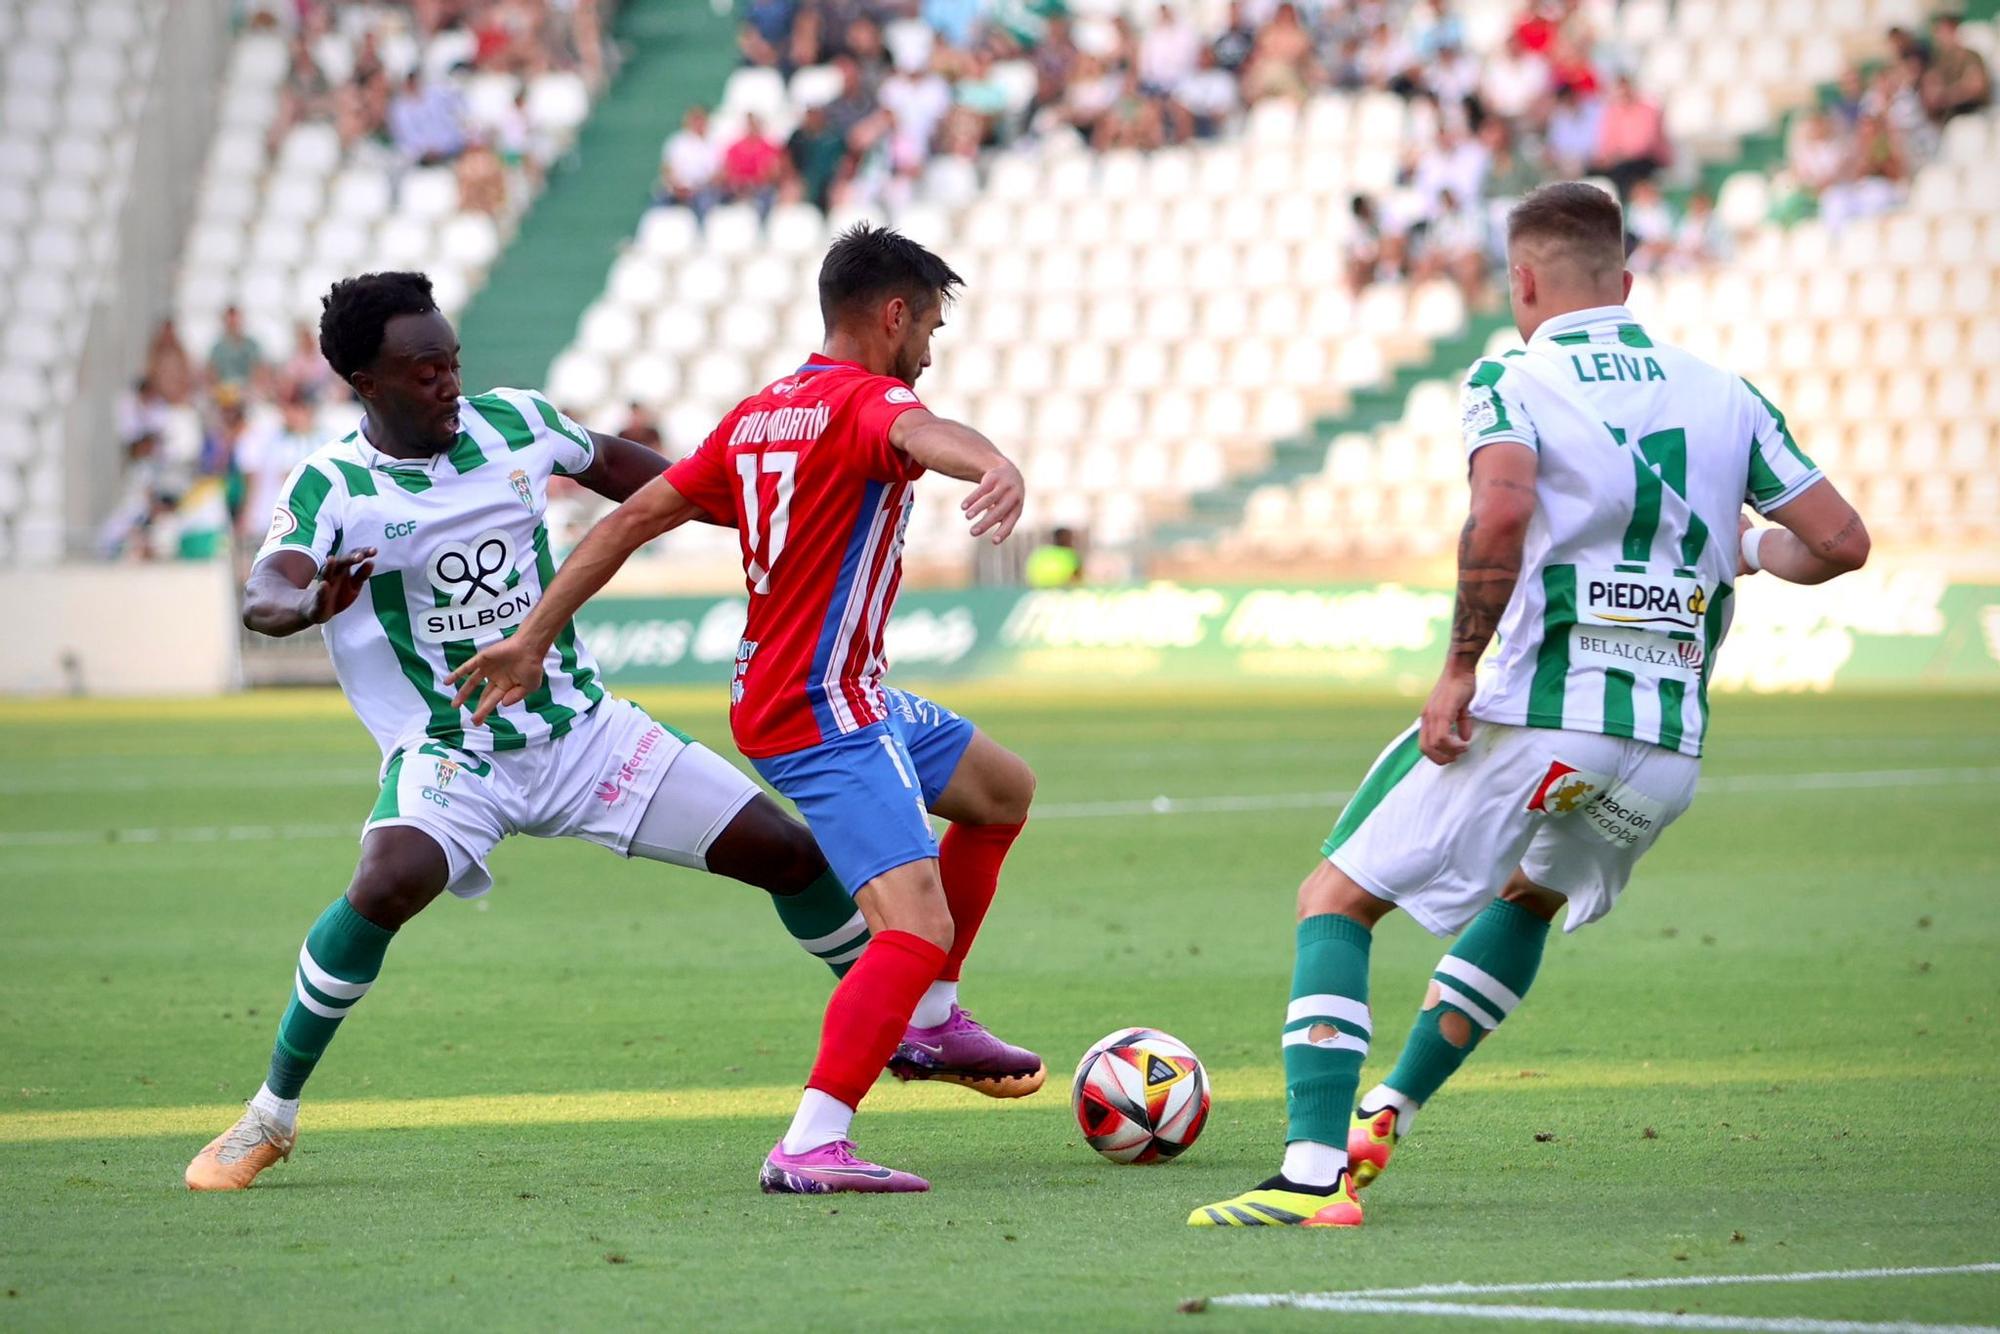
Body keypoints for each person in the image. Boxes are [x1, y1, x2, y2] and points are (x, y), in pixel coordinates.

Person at [1191, 182, 1870, 1228]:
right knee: (1524, 900)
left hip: (1537, 708)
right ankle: (1391, 1104)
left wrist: (1457, 666)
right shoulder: (1725, 392)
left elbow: (1501, 509)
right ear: (1625, 281)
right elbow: (1838, 540)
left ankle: (1310, 1171)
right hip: (1663, 746)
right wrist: (1744, 547)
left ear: (1520, 280)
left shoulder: (1513, 372)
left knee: (1334, 895)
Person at [182, 273, 874, 1192]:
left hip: (585, 734)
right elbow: (264, 591)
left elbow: (665, 484)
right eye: (423, 370)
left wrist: (774, 501)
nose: (448, 384)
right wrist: (309, 599)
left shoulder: (519, 424)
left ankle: (908, 1025)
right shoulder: (333, 483)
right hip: (451, 754)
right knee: (387, 883)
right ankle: (269, 1116)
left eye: (452, 362)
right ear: (363, 380)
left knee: (789, 853)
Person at [450, 225, 1043, 1195]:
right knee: (912, 921)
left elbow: (630, 516)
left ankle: (931, 1018)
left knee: (1001, 790)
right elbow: (918, 431)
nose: (930, 350)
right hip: (823, 703)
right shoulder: (870, 401)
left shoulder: (761, 414)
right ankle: (811, 1138)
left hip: (819, 686)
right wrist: (992, 462)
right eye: (929, 326)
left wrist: (533, 634)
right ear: (891, 314)